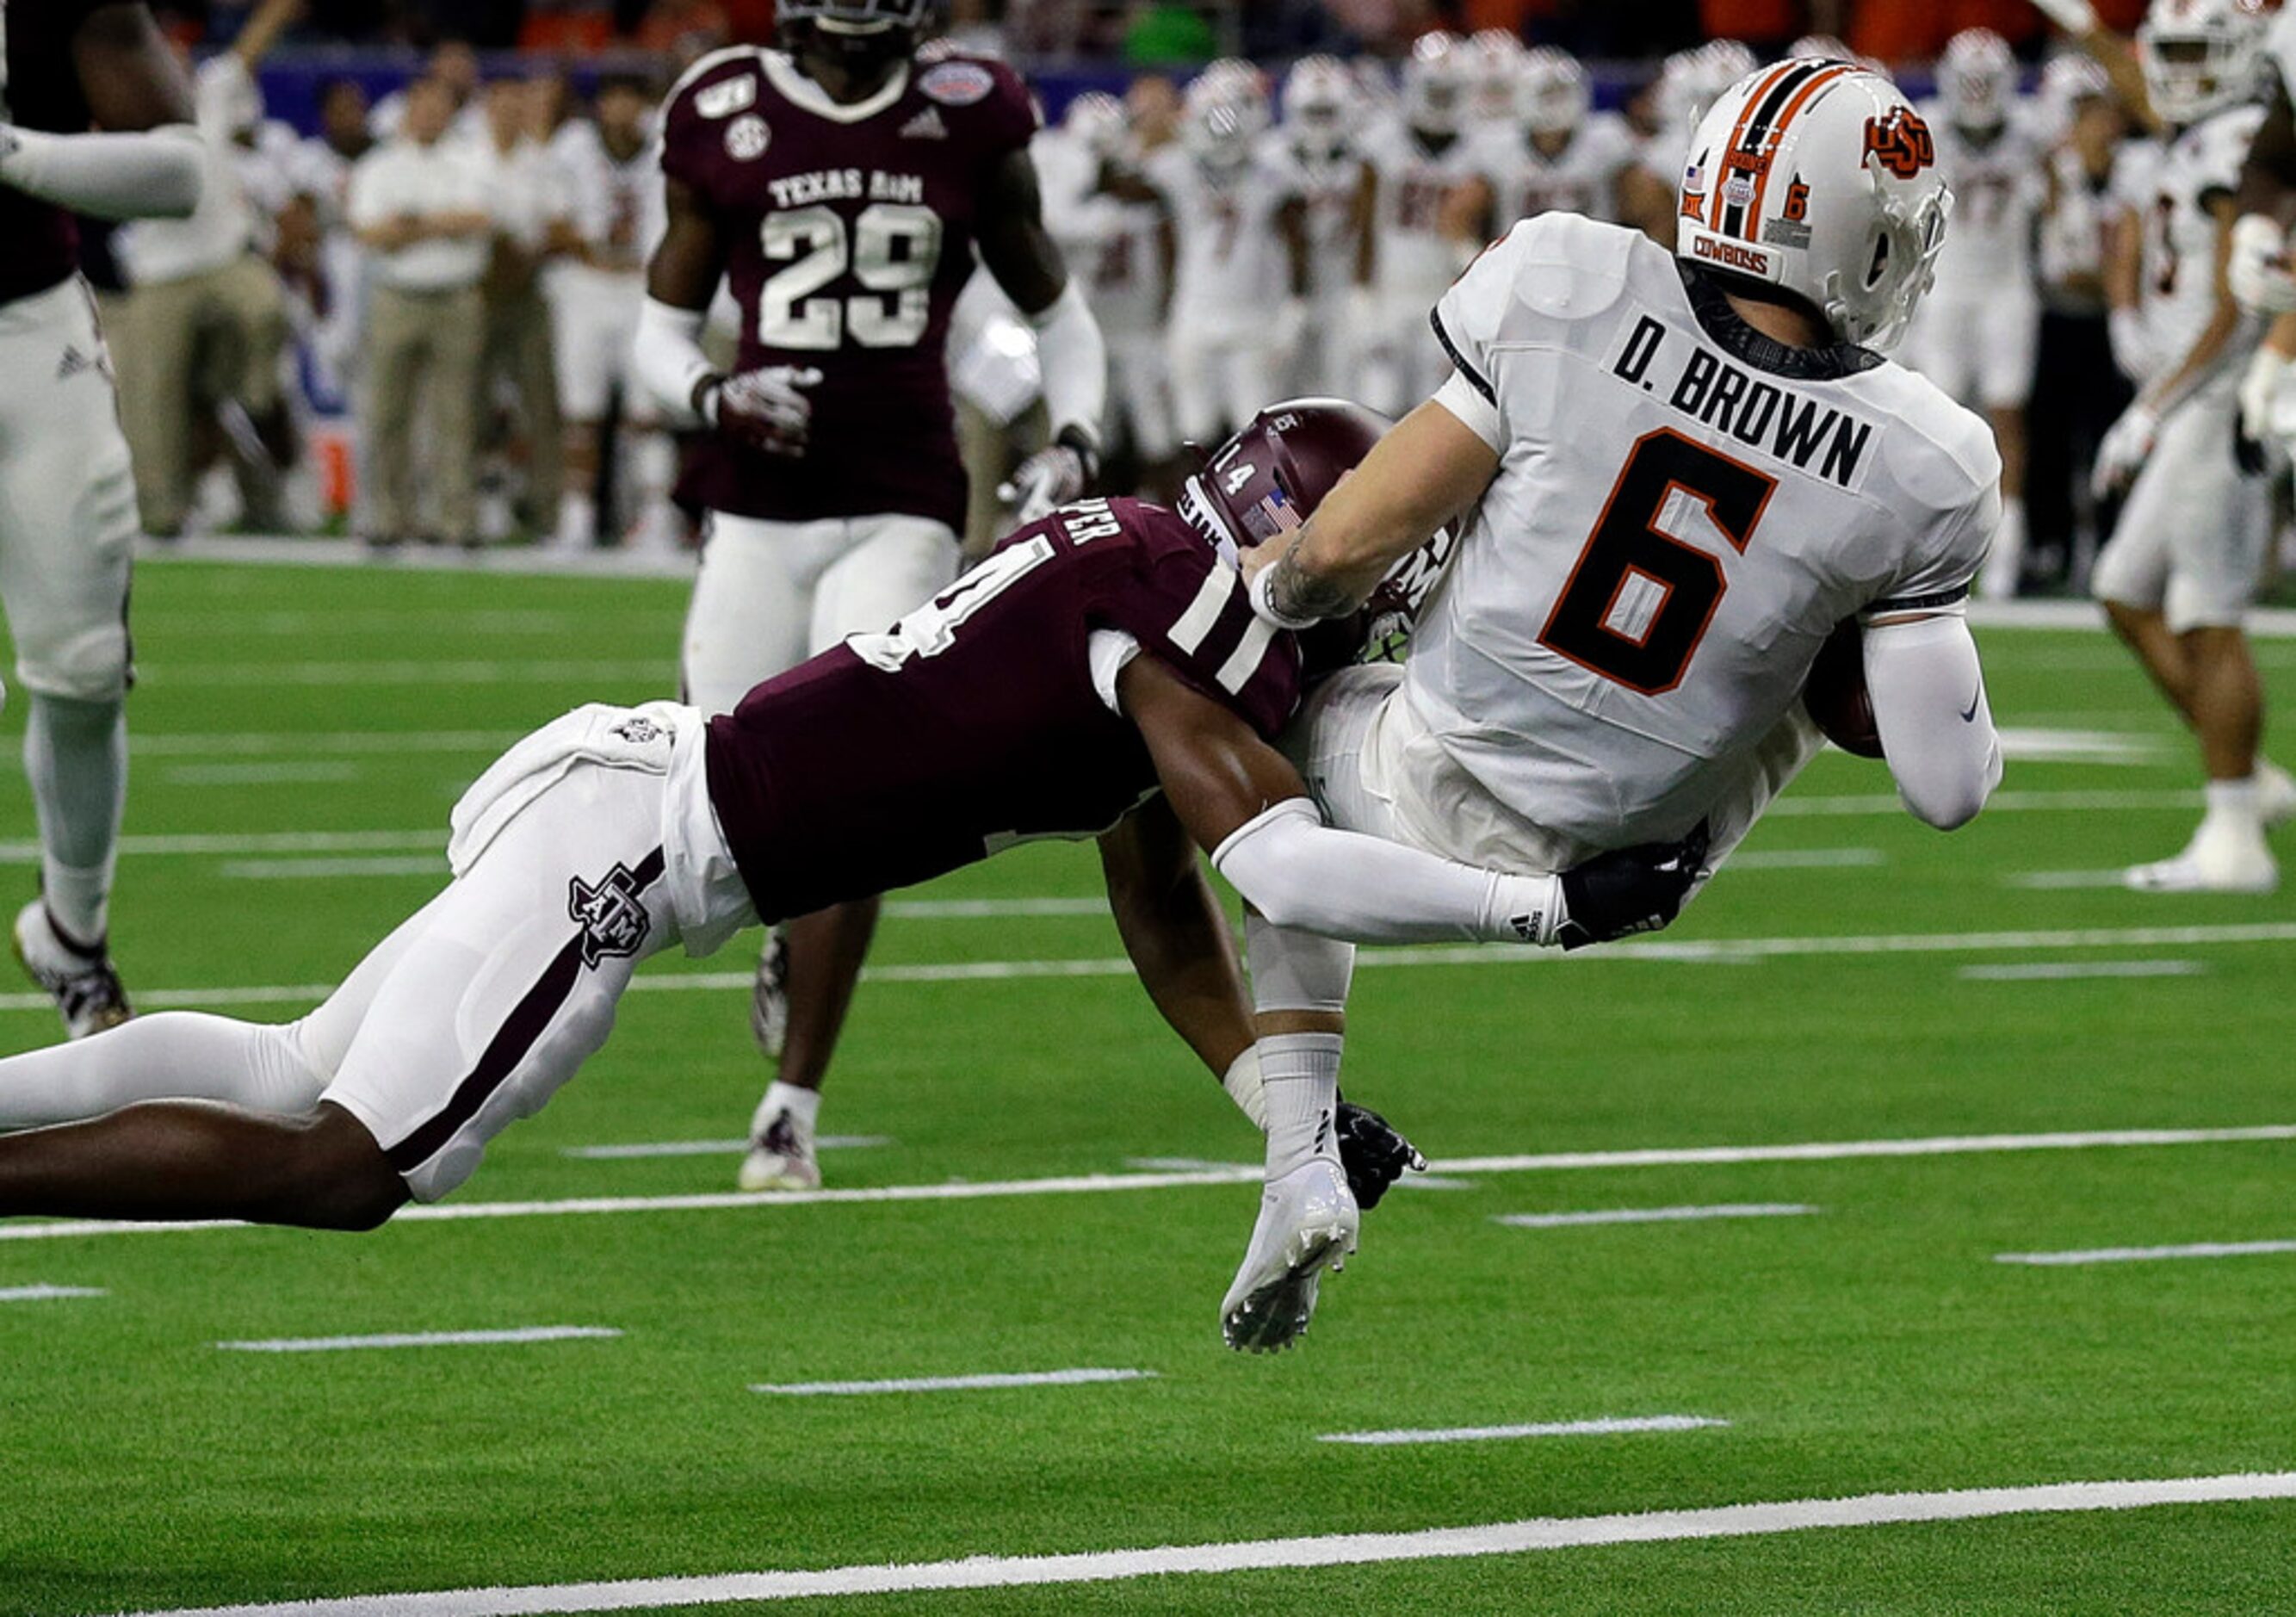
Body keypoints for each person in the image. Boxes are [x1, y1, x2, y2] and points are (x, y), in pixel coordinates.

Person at [0, 406, 1700, 1353]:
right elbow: (1276, 861)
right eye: (1392, 542)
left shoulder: (1153, 572)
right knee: (356, 1165)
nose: (1397, 580)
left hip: (630, 786)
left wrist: (1289, 1119)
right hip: (637, 855)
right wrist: (1538, 908)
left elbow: (1167, 909)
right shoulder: (1192, 625)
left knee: (301, 1070)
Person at [1233, 60, 2007, 1349]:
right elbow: (1948, 789)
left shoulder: (1567, 279)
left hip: (1410, 775)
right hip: (1643, 856)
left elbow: (1332, 555)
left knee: (1229, 740)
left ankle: (1296, 1147)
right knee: (1819, 629)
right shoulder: (1928, 461)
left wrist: (1268, 589)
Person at [635, 0, 1109, 1194]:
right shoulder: (719, 109)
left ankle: (788, 1109)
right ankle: (781, 928)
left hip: (902, 497)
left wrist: (1075, 435)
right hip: (753, 503)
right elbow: (657, 326)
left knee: (850, 793)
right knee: (711, 799)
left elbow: (1053, 309)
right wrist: (710, 396)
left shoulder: (967, 112)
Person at [0, 1, 205, 1039]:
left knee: (82, 670)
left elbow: (178, 173)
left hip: (32, 336)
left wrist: (15, 151)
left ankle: (72, 937)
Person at [2089, 0, 2292, 892]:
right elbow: (2127, 76)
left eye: (2192, 52)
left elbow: (2236, 306)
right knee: (2124, 592)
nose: (2173, 68)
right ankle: (2250, 784)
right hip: (2192, 401)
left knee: (2208, 616)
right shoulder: (2201, 128)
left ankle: (2235, 831)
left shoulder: (2239, 138)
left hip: (2225, 400)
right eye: (2164, 51)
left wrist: (2151, 410)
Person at [108, 0, 300, 541]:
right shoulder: (124, 110)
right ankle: (163, 513)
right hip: (159, 271)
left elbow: (250, 47)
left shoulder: (212, 91)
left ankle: (252, 396)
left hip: (224, 258)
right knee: (151, 398)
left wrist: (278, 12)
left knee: (267, 309)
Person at [1900, 29, 2044, 599]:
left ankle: (2006, 551)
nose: (1979, 93)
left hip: (2007, 289)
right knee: (1936, 421)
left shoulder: (2032, 133)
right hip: (1944, 289)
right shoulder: (1924, 129)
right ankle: (1934, 549)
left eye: (1988, 81)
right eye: (1970, 82)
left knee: (2006, 416)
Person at [347, 77, 494, 550]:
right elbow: (369, 233)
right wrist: (440, 224)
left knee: (457, 414)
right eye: (422, 107)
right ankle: (386, 517)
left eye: (439, 107)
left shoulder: (472, 159)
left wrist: (412, 224)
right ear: (408, 111)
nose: (430, 116)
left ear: (450, 112)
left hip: (457, 295)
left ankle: (456, 519)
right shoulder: (380, 165)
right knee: (387, 411)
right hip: (397, 295)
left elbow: (478, 219)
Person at [1144, 61, 1311, 443]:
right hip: (1194, 312)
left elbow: (1297, 243)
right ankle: (1186, 503)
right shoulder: (1175, 167)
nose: (1224, 125)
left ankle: (1249, 504)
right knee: (1192, 429)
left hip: (1251, 317)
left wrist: (1295, 307)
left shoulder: (1273, 173)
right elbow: (1127, 186)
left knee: (1252, 429)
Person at [548, 73, 675, 552]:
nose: (621, 111)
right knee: (582, 412)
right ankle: (576, 518)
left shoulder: (666, 147)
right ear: (599, 106)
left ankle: (656, 518)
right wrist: (589, 245)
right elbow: (555, 223)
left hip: (641, 288)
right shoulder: (572, 149)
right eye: (613, 100)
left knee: (648, 414)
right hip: (587, 287)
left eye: (630, 100)